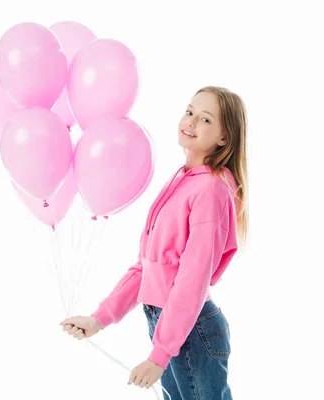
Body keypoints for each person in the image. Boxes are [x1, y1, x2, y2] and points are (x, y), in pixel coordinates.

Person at [60, 86, 248, 400]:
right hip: (172, 325)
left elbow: (192, 279)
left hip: (192, 330)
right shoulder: (183, 180)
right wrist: (98, 319)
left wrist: (160, 354)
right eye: (190, 112)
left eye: (205, 119)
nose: (190, 121)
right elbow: (148, 267)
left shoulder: (211, 189)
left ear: (223, 138)